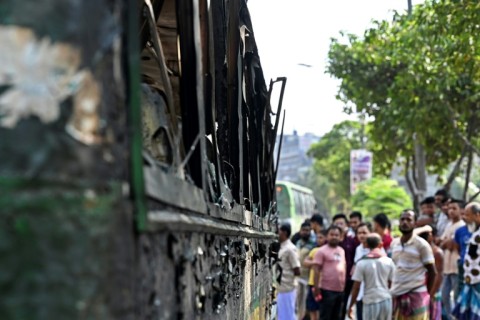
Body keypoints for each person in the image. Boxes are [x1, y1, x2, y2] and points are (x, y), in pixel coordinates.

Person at [391, 209, 437, 320]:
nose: (405, 222)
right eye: (402, 219)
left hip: (416, 295)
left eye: (408, 219)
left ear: (415, 223)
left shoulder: (421, 245)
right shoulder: (395, 244)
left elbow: (433, 272)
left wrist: (427, 295)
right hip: (397, 294)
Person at [348, 234, 395, 320]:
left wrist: (351, 305)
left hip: (370, 301)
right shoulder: (388, 261)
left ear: (366, 245)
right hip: (386, 299)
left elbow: (356, 287)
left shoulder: (362, 263)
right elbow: (392, 284)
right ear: (381, 244)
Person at [452, 202, 480, 319]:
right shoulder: (475, 233)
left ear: (477, 215)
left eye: (468, 215)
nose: (465, 218)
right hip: (471, 281)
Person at [312, 226, 346, 320]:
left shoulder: (341, 251)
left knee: (337, 317)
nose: (334, 237)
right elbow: (316, 270)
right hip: (326, 290)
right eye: (331, 234)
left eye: (336, 235)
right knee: (326, 317)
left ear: (340, 237)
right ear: (327, 236)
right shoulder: (321, 251)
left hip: (339, 290)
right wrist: (316, 288)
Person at [440, 199, 465, 319]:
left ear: (461, 210)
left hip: (456, 267)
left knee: (456, 296)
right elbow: (442, 243)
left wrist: (448, 243)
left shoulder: (462, 226)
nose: (451, 211)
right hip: (446, 267)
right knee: (444, 296)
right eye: (449, 208)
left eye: (454, 208)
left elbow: (453, 245)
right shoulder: (448, 225)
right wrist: (447, 242)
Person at [416, 225, 443, 320]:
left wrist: (431, 294)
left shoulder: (437, 252)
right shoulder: (420, 251)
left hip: (433, 291)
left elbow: (439, 275)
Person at [332, 213, 356, 319]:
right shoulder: (330, 242)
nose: (339, 226)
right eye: (336, 223)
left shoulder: (351, 240)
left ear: (346, 225)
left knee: (343, 304)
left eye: (341, 223)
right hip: (332, 280)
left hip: (347, 279)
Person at [277, 223, 301, 320]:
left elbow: (297, 269)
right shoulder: (282, 246)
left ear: (284, 233)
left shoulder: (290, 249)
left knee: (288, 315)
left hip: (287, 288)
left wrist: (288, 279)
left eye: (279, 231)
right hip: (281, 287)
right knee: (283, 315)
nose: (277, 233)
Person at [303, 230, 327, 320]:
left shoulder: (328, 250)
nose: (318, 239)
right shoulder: (314, 250)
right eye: (317, 237)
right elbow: (305, 262)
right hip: (312, 282)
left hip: (324, 284)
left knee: (321, 308)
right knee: (312, 307)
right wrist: (316, 263)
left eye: (321, 237)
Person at [351, 222, 373, 320]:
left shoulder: (376, 249)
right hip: (360, 293)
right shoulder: (358, 249)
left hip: (372, 295)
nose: (361, 235)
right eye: (359, 233)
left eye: (364, 232)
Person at [295, 222, 316, 320]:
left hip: (309, 277)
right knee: (299, 302)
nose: (305, 232)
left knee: (307, 303)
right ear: (300, 231)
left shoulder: (314, 244)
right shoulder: (298, 243)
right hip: (298, 277)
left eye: (308, 230)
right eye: (304, 230)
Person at [454, 202, 476, 294]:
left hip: (476, 270)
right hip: (464, 266)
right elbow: (458, 248)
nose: (465, 217)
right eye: (463, 214)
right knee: (460, 294)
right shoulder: (460, 231)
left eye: (467, 215)